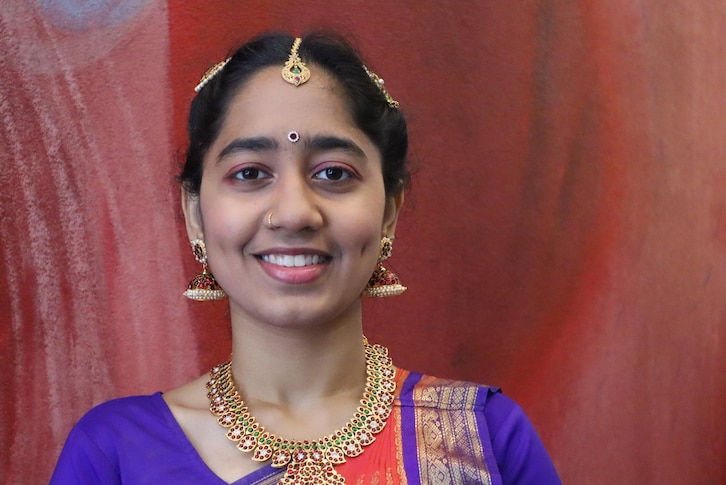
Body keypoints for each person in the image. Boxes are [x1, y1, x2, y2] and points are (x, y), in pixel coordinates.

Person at [50, 32, 561, 484]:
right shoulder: (114, 454)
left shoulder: (485, 438)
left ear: (389, 212)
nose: (294, 213)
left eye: (333, 173)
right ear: (195, 215)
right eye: (250, 174)